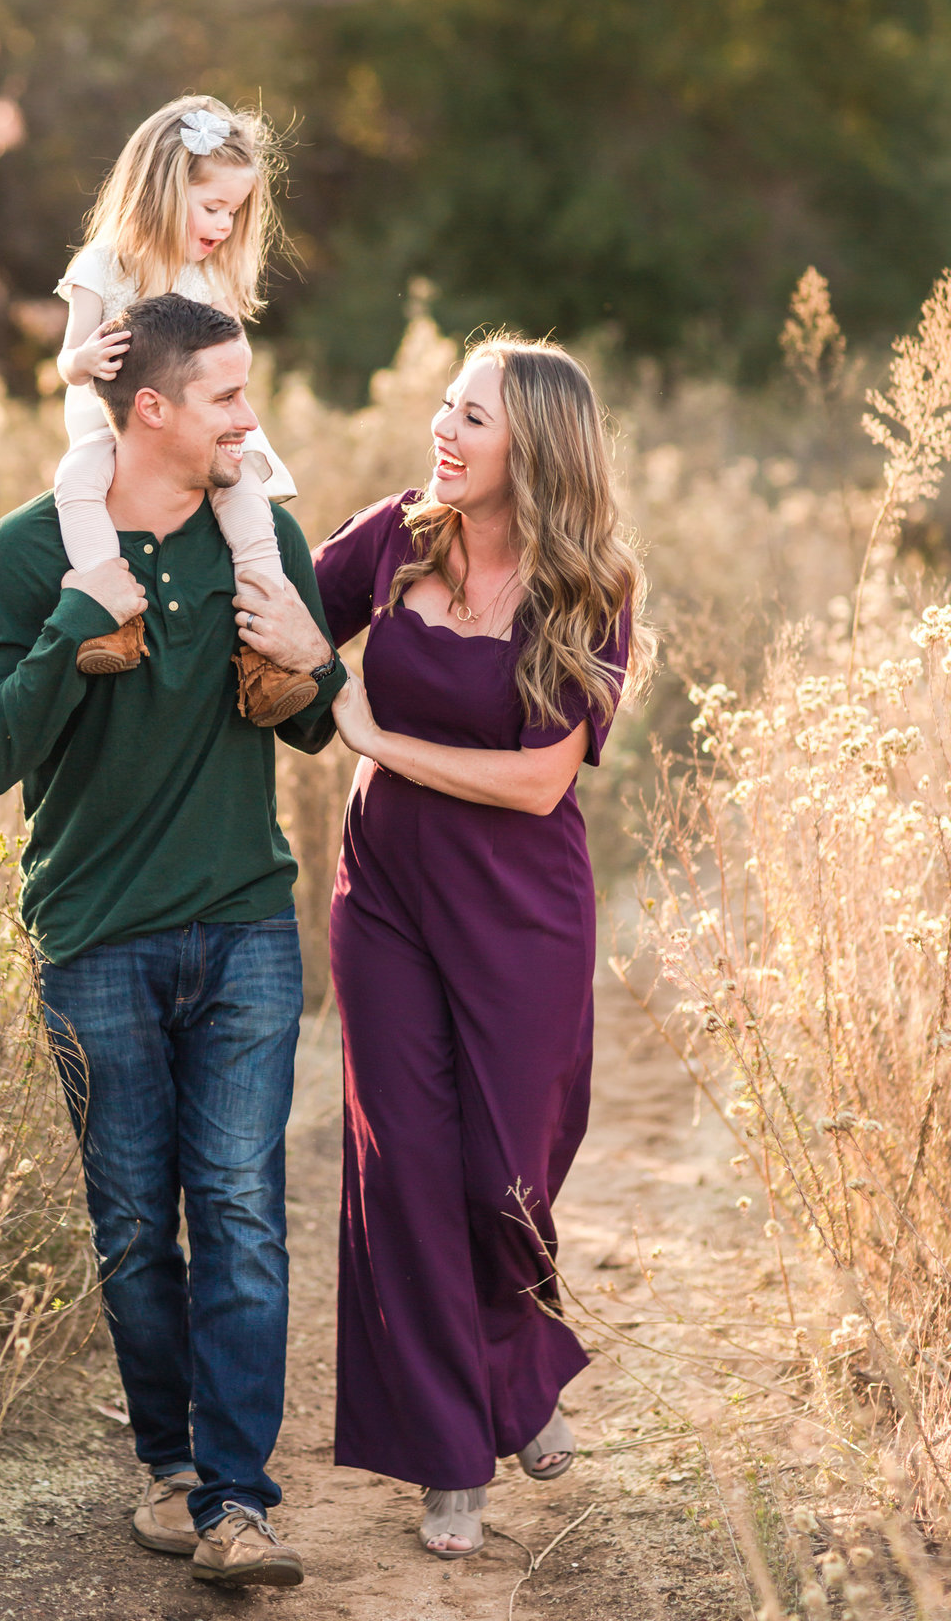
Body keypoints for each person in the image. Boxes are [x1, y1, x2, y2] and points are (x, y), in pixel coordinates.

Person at [234, 335, 654, 1559]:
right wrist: (224, 478)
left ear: (539, 447)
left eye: (474, 416)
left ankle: (517, 1375)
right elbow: (281, 609)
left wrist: (368, 733)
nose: (445, 429)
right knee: (405, 1168)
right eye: (447, 406)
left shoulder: (595, 589)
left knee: (501, 1175)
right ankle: (446, 1455)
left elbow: (537, 783)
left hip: (522, 914)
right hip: (389, 904)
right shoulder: (400, 536)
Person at [0, 293, 346, 1589]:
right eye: (228, 398)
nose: (252, 420)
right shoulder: (26, 551)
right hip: (94, 940)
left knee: (238, 1209)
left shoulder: (260, 532)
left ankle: (238, 1502)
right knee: (134, 1226)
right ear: (154, 410)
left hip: (243, 927)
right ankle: (173, 1472)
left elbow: (301, 722)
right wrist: (78, 620)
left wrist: (319, 666)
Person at [53, 94, 314, 727]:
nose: (224, 225)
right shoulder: (103, 264)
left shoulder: (203, 280)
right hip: (110, 422)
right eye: (213, 207)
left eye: (234, 212)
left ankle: (265, 644)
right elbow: (66, 361)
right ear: (166, 191)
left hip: (194, 426)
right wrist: (87, 360)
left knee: (241, 494)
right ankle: (108, 617)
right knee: (76, 486)